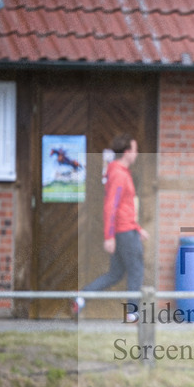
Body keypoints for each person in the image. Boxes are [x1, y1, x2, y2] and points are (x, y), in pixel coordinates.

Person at [72, 134, 148, 321]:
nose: (137, 153)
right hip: (124, 232)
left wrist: (137, 227)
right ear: (127, 152)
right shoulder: (119, 174)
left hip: (128, 229)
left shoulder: (121, 172)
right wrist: (109, 236)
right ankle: (132, 314)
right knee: (136, 270)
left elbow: (124, 206)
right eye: (135, 149)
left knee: (115, 274)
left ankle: (82, 297)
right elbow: (111, 206)